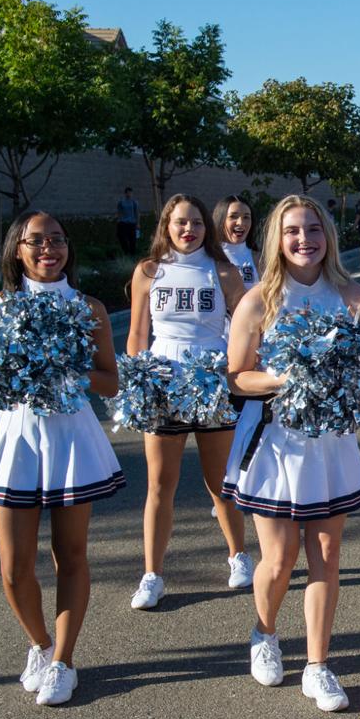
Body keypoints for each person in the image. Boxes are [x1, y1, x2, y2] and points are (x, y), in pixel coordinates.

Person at [223, 194, 360, 710]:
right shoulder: (258, 298)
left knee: (326, 556)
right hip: (275, 442)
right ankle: (264, 632)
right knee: (280, 558)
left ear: (327, 235)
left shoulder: (353, 297)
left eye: (313, 229)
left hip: (330, 444)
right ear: (276, 239)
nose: (304, 239)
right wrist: (286, 379)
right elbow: (237, 377)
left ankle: (318, 665)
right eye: (292, 231)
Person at [0, 210, 124, 706]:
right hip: (17, 440)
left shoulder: (89, 307)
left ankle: (64, 661)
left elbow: (109, 381)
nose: (48, 249)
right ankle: (40, 645)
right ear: (16, 250)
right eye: (36, 241)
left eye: (57, 240)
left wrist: (66, 370)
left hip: (71, 440)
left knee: (71, 555)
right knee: (14, 568)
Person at [126, 194, 252, 610]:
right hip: (163, 385)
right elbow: (138, 335)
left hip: (211, 385)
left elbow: (248, 326)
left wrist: (240, 372)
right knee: (160, 484)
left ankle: (238, 555)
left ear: (206, 227)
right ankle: (152, 574)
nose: (188, 230)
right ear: (166, 226)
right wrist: (136, 383)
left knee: (220, 482)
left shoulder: (223, 272)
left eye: (196, 223)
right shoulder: (148, 272)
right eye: (180, 222)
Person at [214, 195, 261, 290]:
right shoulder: (207, 257)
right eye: (233, 216)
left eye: (246, 217)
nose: (240, 222)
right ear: (221, 219)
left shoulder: (261, 259)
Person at [115, 187, 140, 259]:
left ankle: (132, 254)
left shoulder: (134, 202)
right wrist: (118, 220)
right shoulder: (121, 202)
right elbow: (119, 212)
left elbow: (137, 213)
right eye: (128, 193)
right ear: (125, 193)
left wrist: (138, 223)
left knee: (132, 239)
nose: (129, 194)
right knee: (121, 237)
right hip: (123, 222)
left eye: (130, 193)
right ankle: (126, 251)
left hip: (132, 223)